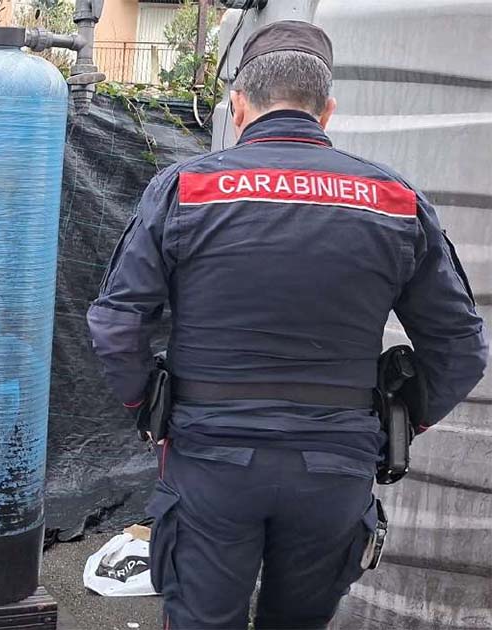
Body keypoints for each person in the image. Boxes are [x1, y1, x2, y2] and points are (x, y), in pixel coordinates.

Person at [85, 20, 487, 630]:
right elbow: (460, 347)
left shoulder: (186, 189)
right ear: (326, 111)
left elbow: (117, 324)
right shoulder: (396, 201)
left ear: (238, 105)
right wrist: (396, 426)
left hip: (210, 460)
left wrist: (150, 408)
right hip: (336, 467)